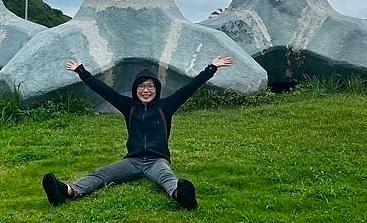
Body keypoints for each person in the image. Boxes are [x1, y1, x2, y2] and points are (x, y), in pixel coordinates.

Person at [42, 56, 234, 209]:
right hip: (132, 161)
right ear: (135, 89)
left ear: (157, 89)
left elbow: (190, 88)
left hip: (157, 160)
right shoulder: (129, 106)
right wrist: (81, 72)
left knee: (167, 178)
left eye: (150, 86)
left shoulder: (166, 106)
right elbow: (104, 91)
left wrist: (211, 68)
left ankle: (181, 196)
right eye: (141, 86)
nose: (146, 90)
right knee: (101, 174)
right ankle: (66, 191)